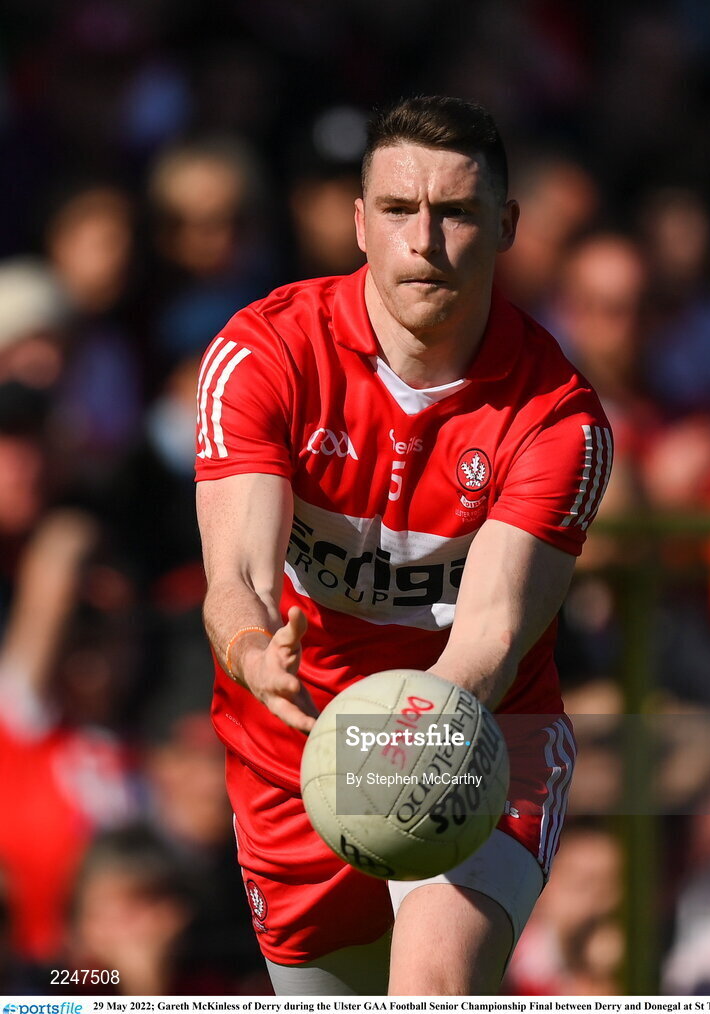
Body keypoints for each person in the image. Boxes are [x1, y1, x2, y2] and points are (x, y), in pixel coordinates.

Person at [195, 95, 612, 996]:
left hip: (475, 737)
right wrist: (248, 647)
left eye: (456, 211)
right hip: (293, 748)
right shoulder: (263, 354)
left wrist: (408, 748)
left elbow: (489, 639)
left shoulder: (559, 418)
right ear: (357, 222)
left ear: (504, 225)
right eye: (396, 210)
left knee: (432, 983)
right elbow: (234, 575)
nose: (422, 239)